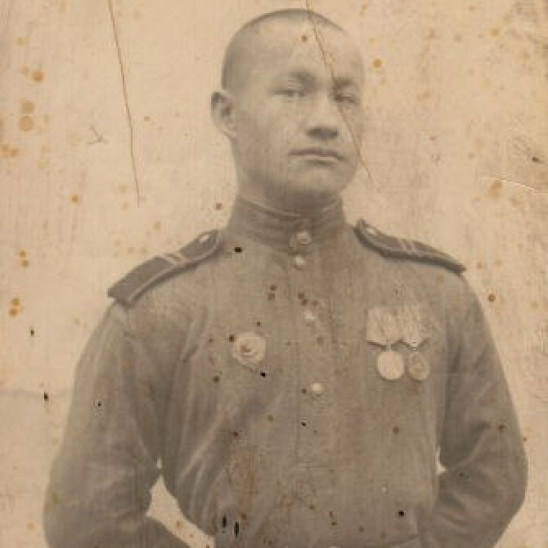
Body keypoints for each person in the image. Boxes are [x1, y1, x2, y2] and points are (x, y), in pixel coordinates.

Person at [44, 9, 527, 548]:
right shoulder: (160, 310)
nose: (326, 120)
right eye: (294, 92)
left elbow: (495, 474)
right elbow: (88, 515)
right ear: (228, 114)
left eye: (344, 97)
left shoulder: (436, 293)